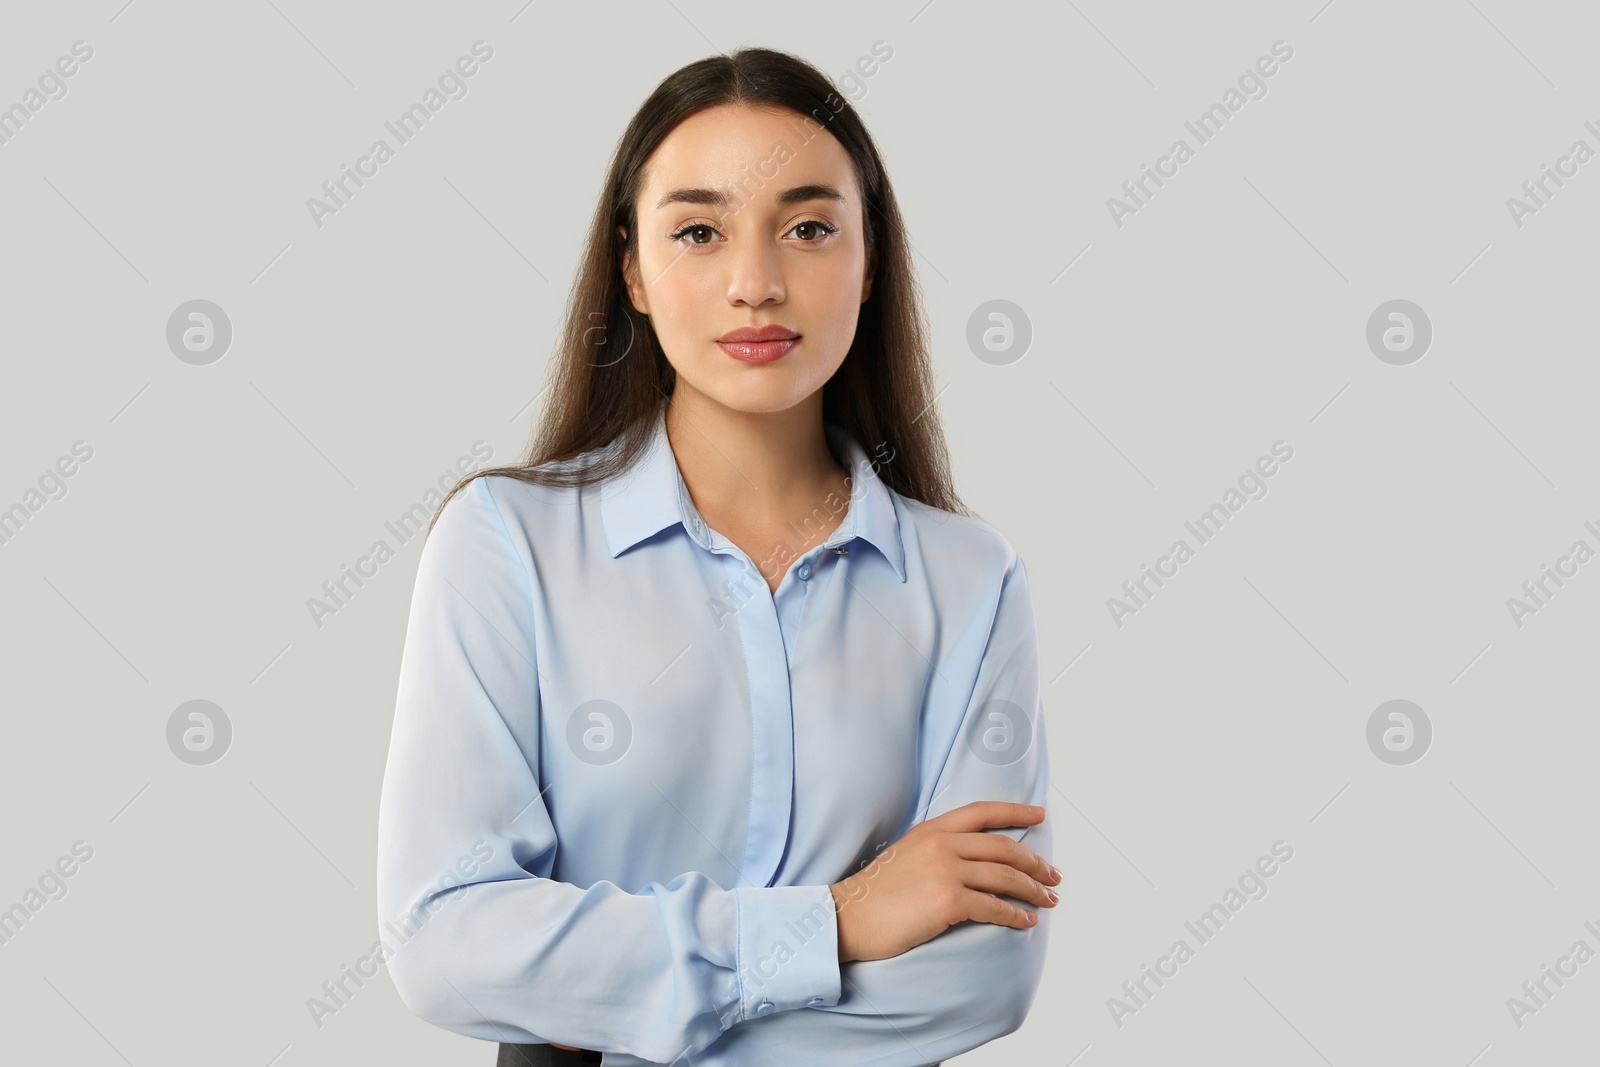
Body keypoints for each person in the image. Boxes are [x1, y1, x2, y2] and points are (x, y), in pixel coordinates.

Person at [375, 45, 1059, 1066]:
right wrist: (835, 920)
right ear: (632, 271)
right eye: (698, 230)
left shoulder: (970, 580)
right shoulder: (505, 542)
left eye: (809, 228)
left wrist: (608, 990)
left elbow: (979, 976)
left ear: (870, 263)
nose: (755, 283)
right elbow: (446, 937)